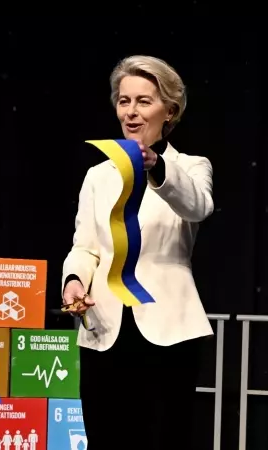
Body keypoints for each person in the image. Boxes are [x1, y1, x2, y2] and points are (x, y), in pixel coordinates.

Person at [61, 55, 214, 449]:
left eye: (144, 101)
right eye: (124, 100)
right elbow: (85, 246)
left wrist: (156, 167)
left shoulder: (191, 166)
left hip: (167, 330)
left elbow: (198, 206)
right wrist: (74, 281)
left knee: (164, 437)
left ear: (171, 110)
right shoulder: (98, 175)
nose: (131, 112)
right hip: (105, 327)